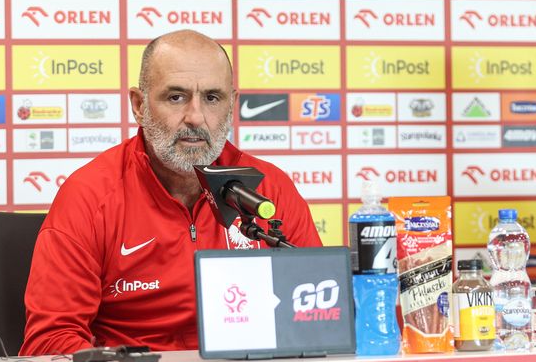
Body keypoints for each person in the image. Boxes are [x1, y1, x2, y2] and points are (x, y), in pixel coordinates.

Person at [21, 30, 322, 355]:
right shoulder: (90, 196)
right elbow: (49, 341)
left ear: (232, 105)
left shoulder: (270, 189)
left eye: (212, 98)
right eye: (176, 97)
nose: (195, 117)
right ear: (139, 105)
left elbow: (319, 314)